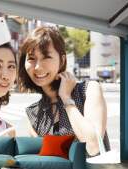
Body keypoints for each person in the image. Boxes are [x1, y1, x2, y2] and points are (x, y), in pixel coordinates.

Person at [18, 26, 110, 156]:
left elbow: (93, 146)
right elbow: (45, 161)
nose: (38, 67)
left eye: (46, 57)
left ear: (61, 60)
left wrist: (66, 99)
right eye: (31, 58)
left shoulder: (88, 90)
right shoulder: (33, 114)